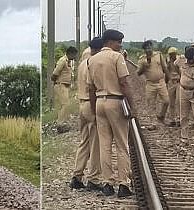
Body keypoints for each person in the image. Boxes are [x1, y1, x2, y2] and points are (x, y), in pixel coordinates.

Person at [87, 29, 136, 197]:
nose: (120, 45)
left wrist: (94, 109)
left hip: (100, 101)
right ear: (109, 42)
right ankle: (123, 184)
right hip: (115, 101)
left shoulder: (92, 60)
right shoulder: (117, 57)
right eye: (118, 42)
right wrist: (132, 106)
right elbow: (124, 83)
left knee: (105, 145)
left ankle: (107, 183)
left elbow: (90, 89)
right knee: (122, 144)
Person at [70, 37, 103, 189]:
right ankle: (93, 178)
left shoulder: (82, 63)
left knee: (84, 142)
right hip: (91, 104)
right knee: (96, 144)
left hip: (82, 105)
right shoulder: (93, 63)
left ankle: (77, 176)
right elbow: (94, 87)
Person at [137, 41, 170, 128]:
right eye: (146, 48)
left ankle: (161, 116)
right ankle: (153, 123)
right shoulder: (142, 59)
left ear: (152, 47)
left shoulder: (158, 55)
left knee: (166, 101)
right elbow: (138, 73)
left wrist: (168, 78)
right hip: (150, 84)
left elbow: (165, 67)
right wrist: (144, 65)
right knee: (151, 104)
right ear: (144, 50)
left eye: (150, 47)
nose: (149, 49)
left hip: (161, 82)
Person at [51, 46, 78, 123]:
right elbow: (55, 73)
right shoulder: (62, 60)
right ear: (70, 53)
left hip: (65, 85)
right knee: (65, 104)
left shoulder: (68, 61)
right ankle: (60, 123)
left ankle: (63, 121)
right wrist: (56, 82)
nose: (75, 57)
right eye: (74, 55)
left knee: (64, 105)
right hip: (60, 85)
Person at [167, 47, 181, 126]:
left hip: (178, 82)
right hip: (171, 82)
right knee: (171, 101)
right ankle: (172, 119)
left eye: (173, 54)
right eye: (170, 54)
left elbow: (181, 72)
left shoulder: (179, 61)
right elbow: (166, 72)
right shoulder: (168, 62)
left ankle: (179, 118)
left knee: (179, 101)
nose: (172, 56)